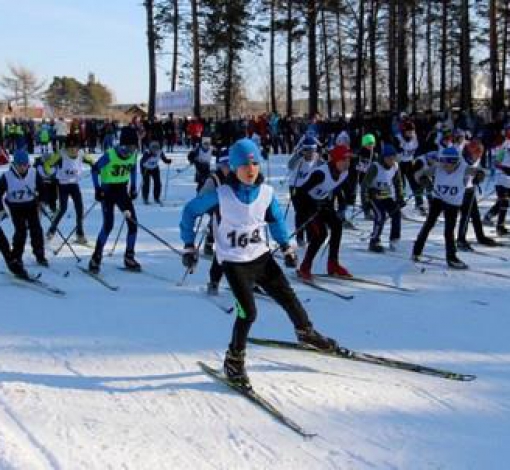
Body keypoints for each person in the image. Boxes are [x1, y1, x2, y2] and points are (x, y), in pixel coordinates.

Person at [180, 138, 338, 386]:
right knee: (248, 313)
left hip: (261, 257)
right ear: (234, 167)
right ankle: (234, 360)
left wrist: (286, 247)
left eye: (254, 164)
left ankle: (305, 332)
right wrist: (189, 245)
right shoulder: (221, 195)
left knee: (288, 297)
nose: (251, 169)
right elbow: (189, 211)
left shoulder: (266, 193)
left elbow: (275, 220)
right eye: (244, 165)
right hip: (233, 263)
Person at [412, 147, 485, 269]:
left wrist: (479, 176)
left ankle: (451, 258)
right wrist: (423, 180)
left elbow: (480, 171)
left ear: (455, 161)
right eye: (443, 162)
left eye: (448, 163)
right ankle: (416, 251)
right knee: (428, 224)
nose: (445, 166)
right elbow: (418, 174)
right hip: (438, 200)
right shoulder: (438, 167)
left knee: (449, 231)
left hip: (453, 203)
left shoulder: (464, 168)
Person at [296, 144, 353, 280]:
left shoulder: (344, 173)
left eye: (349, 160)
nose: (347, 163)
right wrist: (307, 212)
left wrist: (342, 204)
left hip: (323, 203)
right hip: (307, 203)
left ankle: (333, 264)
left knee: (337, 225)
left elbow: (336, 188)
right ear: (335, 160)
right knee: (320, 234)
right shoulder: (320, 174)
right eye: (344, 160)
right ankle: (305, 267)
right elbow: (300, 193)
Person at [88, 141, 140, 273]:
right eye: (128, 147)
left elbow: (133, 168)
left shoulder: (133, 154)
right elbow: (95, 169)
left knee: (133, 224)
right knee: (108, 225)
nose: (130, 151)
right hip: (108, 192)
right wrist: (97, 188)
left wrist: (133, 186)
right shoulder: (110, 155)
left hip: (122, 191)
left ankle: (129, 257)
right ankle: (96, 258)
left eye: (133, 147)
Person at [0, 149, 48, 268]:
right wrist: (1, 209)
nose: (22, 167)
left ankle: (39, 254)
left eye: (25, 165)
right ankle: (17, 256)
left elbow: (42, 188)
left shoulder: (33, 172)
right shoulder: (7, 176)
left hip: (31, 205)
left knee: (36, 229)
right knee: (21, 231)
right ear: (14, 164)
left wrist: (42, 201)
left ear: (28, 164)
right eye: (19, 165)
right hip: (16, 207)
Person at [44, 135, 95, 243]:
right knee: (63, 209)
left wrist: (96, 167)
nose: (72, 150)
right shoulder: (61, 154)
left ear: (78, 148)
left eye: (75, 147)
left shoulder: (81, 154)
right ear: (66, 147)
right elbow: (47, 164)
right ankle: (51, 230)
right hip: (62, 185)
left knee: (80, 209)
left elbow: (92, 161)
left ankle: (80, 234)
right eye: (70, 148)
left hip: (74, 184)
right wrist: (51, 173)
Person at [362, 144, 405, 253]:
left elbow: (398, 183)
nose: (391, 160)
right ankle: (374, 240)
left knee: (396, 213)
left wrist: (400, 197)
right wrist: (366, 202)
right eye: (389, 158)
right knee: (380, 215)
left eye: (393, 158)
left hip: (386, 196)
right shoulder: (375, 167)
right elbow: (365, 185)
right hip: (374, 196)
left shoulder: (395, 166)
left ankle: (394, 239)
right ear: (384, 157)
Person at [198, 150, 231, 294]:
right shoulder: (214, 179)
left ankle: (251, 280)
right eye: (225, 164)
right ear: (219, 165)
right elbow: (202, 198)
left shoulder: (241, 175)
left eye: (231, 164)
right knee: (223, 251)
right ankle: (214, 281)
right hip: (221, 218)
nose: (229, 167)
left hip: (241, 219)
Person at [457, 139, 497, 249]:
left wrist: (477, 177)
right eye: (476, 154)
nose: (478, 157)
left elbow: (476, 169)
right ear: (470, 152)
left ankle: (480, 236)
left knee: (475, 214)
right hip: (461, 190)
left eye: (479, 154)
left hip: (470, 189)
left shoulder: (475, 157)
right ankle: (461, 239)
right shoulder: (461, 159)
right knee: (465, 215)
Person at [483, 145, 510, 236]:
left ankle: (489, 215)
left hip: (508, 181)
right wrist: (505, 169)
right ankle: (500, 227)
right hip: (501, 179)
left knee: (502, 203)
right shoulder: (504, 150)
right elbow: (496, 162)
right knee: (504, 202)